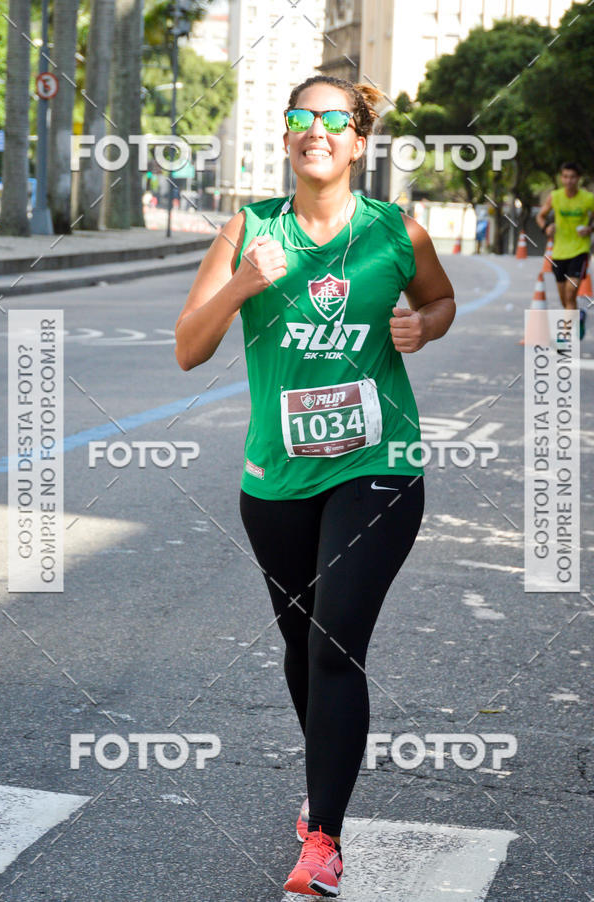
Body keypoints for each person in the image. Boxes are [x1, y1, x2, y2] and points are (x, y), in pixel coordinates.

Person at [174, 75, 455, 897]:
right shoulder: (248, 229)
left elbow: (438, 302)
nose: (316, 130)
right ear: (287, 137)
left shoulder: (397, 230)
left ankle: (323, 839)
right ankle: (323, 784)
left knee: (335, 641)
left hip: (379, 467)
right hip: (276, 478)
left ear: (359, 141)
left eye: (335, 119)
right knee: (303, 649)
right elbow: (189, 349)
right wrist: (241, 284)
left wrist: (422, 326)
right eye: (301, 118)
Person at [536, 161, 594, 340]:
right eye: (566, 177)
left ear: (578, 179)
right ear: (561, 178)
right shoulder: (555, 196)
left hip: (579, 250)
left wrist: (590, 229)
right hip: (559, 253)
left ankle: (564, 337)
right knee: (565, 299)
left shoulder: (588, 198)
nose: (569, 181)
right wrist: (546, 227)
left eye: (572, 177)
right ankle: (580, 316)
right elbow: (540, 215)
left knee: (571, 292)